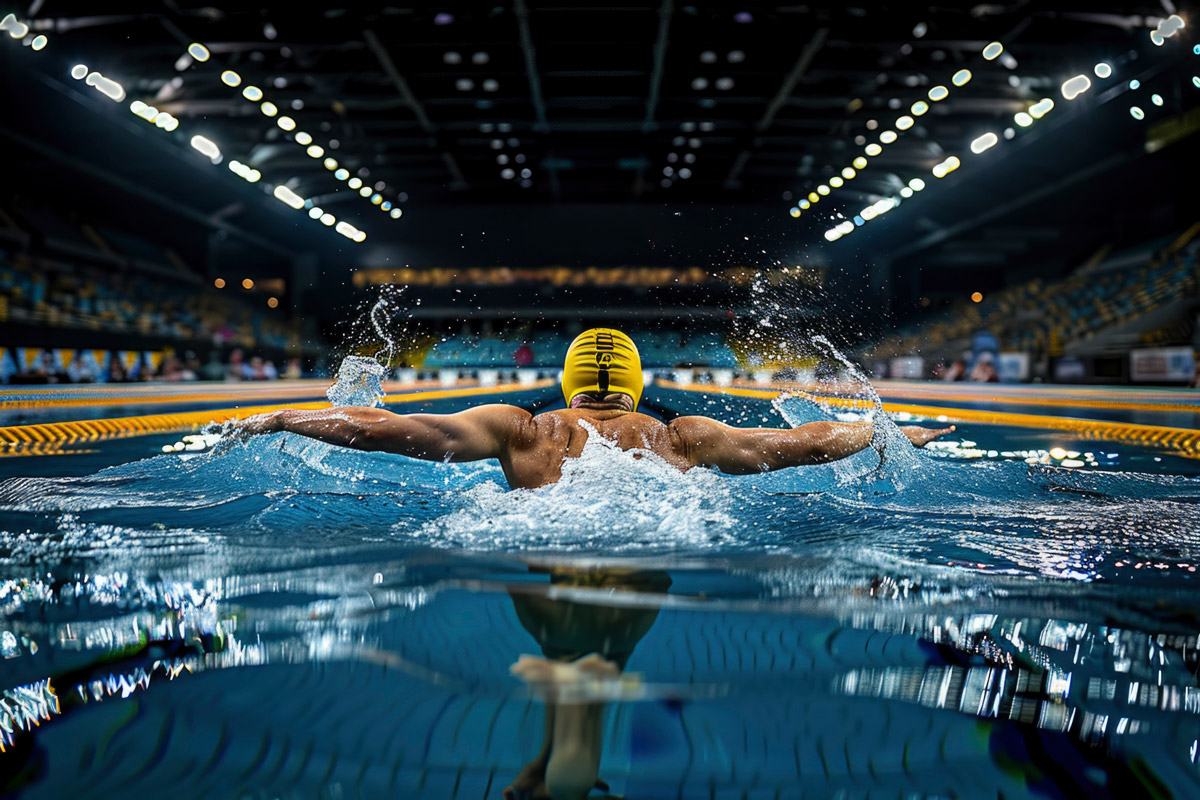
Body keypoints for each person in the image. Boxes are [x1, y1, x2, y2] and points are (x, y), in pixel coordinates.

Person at [233, 329, 953, 490]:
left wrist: (282, 417)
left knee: (565, 669)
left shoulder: (520, 428)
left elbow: (382, 429)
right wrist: (882, 429)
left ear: (569, 383)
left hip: (539, 535)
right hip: (658, 530)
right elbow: (804, 443)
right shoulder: (685, 436)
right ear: (635, 386)